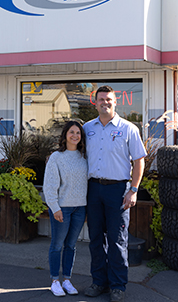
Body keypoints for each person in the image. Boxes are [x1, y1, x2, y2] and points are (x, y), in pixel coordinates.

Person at [83, 85, 146, 302]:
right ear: (96, 102)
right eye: (101, 99)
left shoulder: (129, 129)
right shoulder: (87, 128)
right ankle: (99, 282)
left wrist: (133, 190)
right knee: (95, 239)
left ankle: (118, 285)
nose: (105, 103)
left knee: (118, 240)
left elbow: (139, 161)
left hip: (118, 190)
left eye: (108, 99)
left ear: (115, 102)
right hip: (93, 189)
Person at [43, 120, 88, 297]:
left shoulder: (84, 156)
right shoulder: (56, 157)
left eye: (78, 133)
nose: (75, 136)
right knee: (57, 245)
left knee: (71, 246)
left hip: (80, 208)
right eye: (72, 132)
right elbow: (49, 186)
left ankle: (67, 280)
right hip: (62, 208)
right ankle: (55, 281)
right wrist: (55, 208)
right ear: (65, 135)